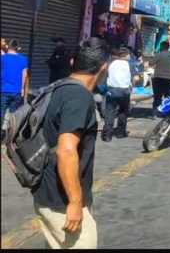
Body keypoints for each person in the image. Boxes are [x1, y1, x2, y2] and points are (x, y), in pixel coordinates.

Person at [32, 37, 108, 249]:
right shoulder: (79, 97)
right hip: (62, 200)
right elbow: (66, 150)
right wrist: (75, 202)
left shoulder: (58, 87)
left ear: (74, 62)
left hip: (47, 192)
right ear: (103, 68)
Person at [102, 47, 132, 142]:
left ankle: (107, 135)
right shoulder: (129, 64)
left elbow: (105, 75)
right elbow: (135, 78)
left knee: (110, 112)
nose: (130, 56)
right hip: (125, 91)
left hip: (112, 91)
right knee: (123, 112)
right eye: (129, 54)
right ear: (125, 55)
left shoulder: (110, 63)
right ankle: (120, 133)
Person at [1, 40, 29, 132]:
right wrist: (22, 89)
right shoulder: (23, 59)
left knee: (1, 113)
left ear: (8, 47)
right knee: (13, 116)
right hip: (16, 91)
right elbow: (24, 75)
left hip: (3, 90)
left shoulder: (3, 58)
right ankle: (11, 137)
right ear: (17, 48)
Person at [151, 41, 170, 117]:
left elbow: (151, 63)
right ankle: (166, 112)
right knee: (168, 96)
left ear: (161, 47)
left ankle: (156, 113)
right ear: (168, 47)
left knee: (157, 96)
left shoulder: (159, 55)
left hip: (158, 78)